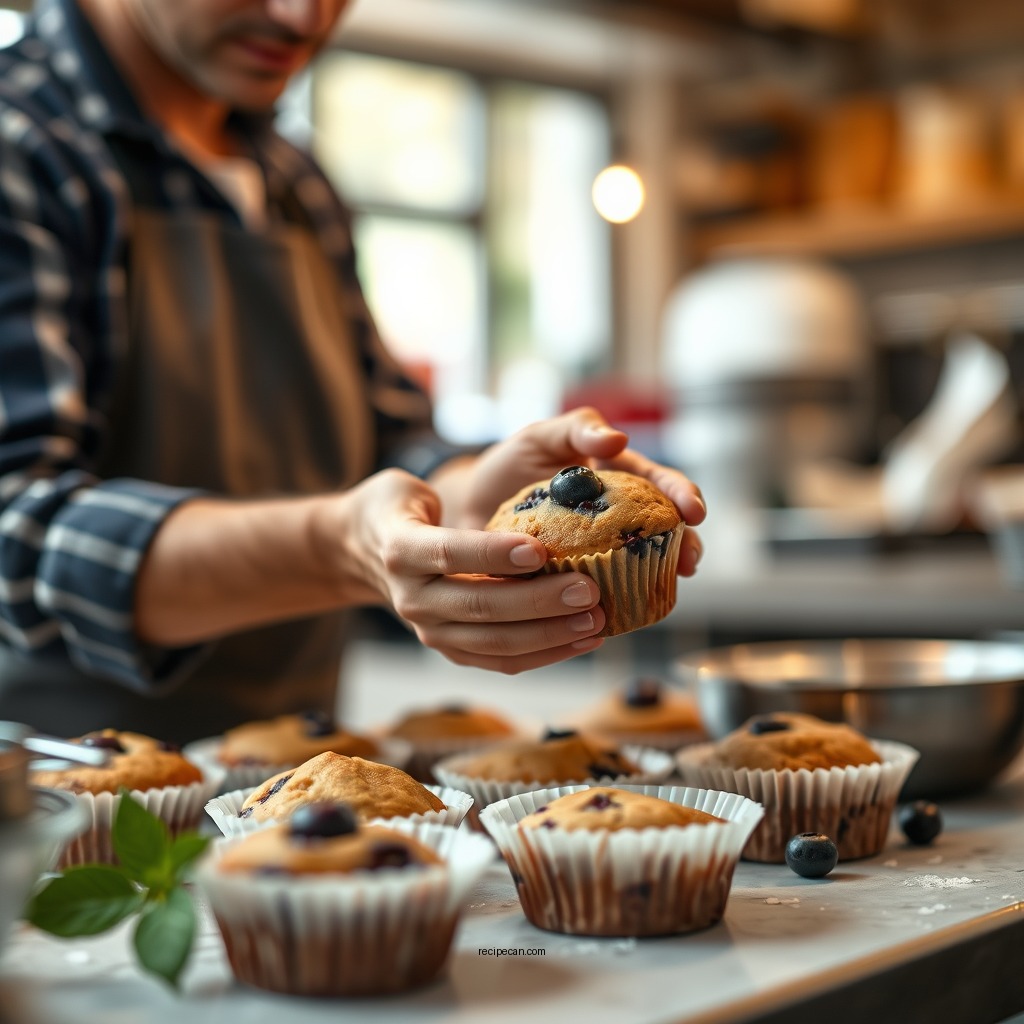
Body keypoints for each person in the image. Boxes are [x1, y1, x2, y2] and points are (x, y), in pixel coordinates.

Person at [0, 0, 705, 743]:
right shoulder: (20, 147)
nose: (304, 16)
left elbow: (390, 440)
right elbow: (16, 530)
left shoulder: (296, 182)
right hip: (58, 807)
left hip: (298, 780)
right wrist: (341, 547)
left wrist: (470, 498)